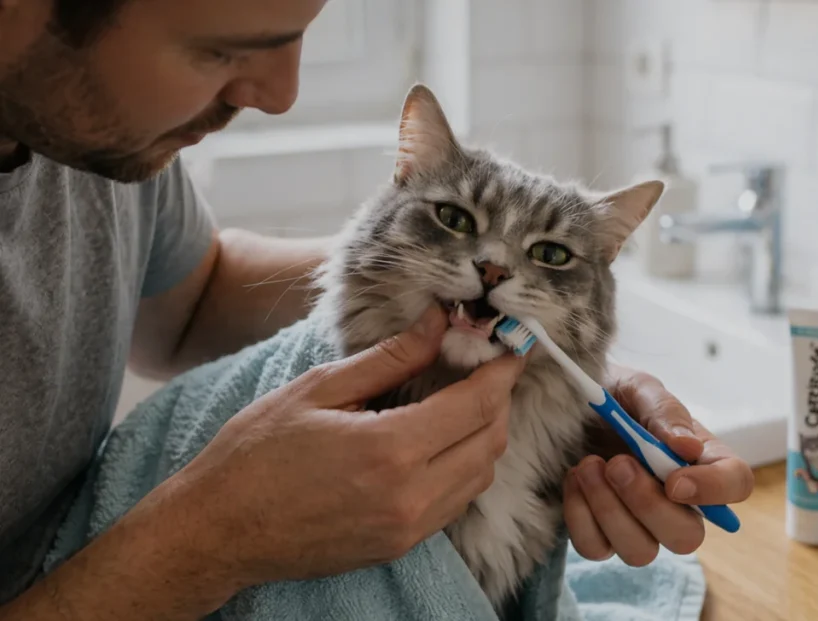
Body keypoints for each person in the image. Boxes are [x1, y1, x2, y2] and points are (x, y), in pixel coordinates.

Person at [0, 0, 755, 619]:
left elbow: (193, 298)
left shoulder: (113, 140)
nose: (282, 92)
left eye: (301, 33)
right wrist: (217, 536)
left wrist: (544, 371)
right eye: (220, 50)